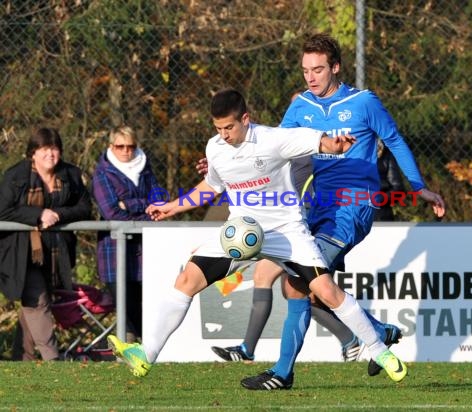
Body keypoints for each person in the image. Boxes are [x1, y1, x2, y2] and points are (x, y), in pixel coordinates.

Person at [107, 88, 408, 388]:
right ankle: (147, 355)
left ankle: (380, 351)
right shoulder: (216, 148)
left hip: (286, 232)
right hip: (241, 233)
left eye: (229, 127)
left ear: (245, 119)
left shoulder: (272, 139)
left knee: (326, 291)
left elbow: (315, 140)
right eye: (218, 128)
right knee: (187, 279)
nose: (223, 134)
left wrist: (335, 145)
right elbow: (211, 187)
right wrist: (171, 206)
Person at [214, 33, 445, 386]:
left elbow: (395, 140)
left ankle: (282, 373)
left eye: (318, 69)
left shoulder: (363, 102)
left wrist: (419, 188)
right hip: (318, 206)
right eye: (306, 70)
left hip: (354, 205)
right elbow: (272, 149)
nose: (311, 77)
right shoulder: (300, 108)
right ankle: (378, 332)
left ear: (335, 68)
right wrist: (226, 163)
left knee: (298, 285)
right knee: (308, 286)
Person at [0, 127, 91, 361]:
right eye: (44, 149)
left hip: (56, 251)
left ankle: (23, 358)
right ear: (33, 152)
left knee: (36, 302)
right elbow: (4, 210)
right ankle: (53, 360)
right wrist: (37, 215)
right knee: (37, 300)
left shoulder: (70, 174)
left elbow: (84, 208)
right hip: (21, 252)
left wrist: (58, 214)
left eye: (54, 148)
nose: (50, 154)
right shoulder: (16, 176)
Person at [92, 125, 163, 342]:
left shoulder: (145, 167)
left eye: (131, 146)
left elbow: (158, 202)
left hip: (145, 250)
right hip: (114, 253)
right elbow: (111, 212)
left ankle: (151, 350)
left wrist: (129, 205)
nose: (126, 151)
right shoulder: (102, 173)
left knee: (150, 305)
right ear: (111, 146)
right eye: (120, 146)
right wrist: (145, 212)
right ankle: (130, 355)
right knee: (127, 308)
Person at [374, 142, 405, 222]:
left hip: (380, 214)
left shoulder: (386, 154)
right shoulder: (346, 153)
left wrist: (380, 198)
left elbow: (398, 189)